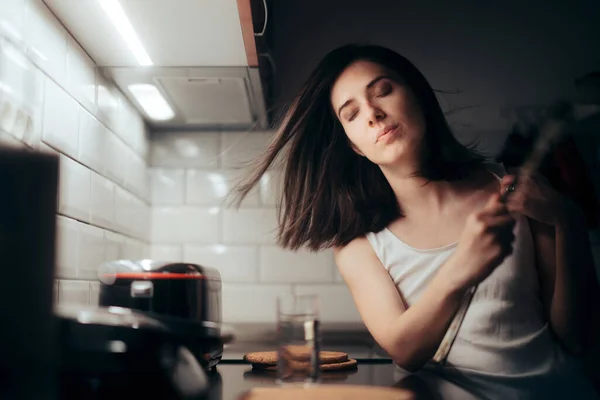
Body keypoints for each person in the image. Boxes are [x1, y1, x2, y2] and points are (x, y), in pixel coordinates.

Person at [234, 44, 600, 398]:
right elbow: (405, 352)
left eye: (383, 91)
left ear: (419, 96)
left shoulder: (517, 190)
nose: (373, 113)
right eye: (352, 114)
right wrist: (462, 268)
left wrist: (568, 220)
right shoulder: (359, 245)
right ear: (355, 145)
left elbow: (576, 337)